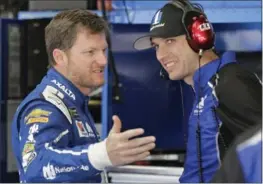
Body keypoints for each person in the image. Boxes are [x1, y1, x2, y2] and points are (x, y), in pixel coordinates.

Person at [11, 9, 156, 183]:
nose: (103, 60)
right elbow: (36, 166)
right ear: (60, 57)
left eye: (103, 50)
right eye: (90, 52)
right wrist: (101, 155)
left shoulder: (74, 102)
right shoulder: (45, 105)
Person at [133, 0, 262, 183]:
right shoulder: (207, 89)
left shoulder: (230, 84)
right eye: (156, 46)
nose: (160, 55)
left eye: (170, 41)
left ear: (199, 36)